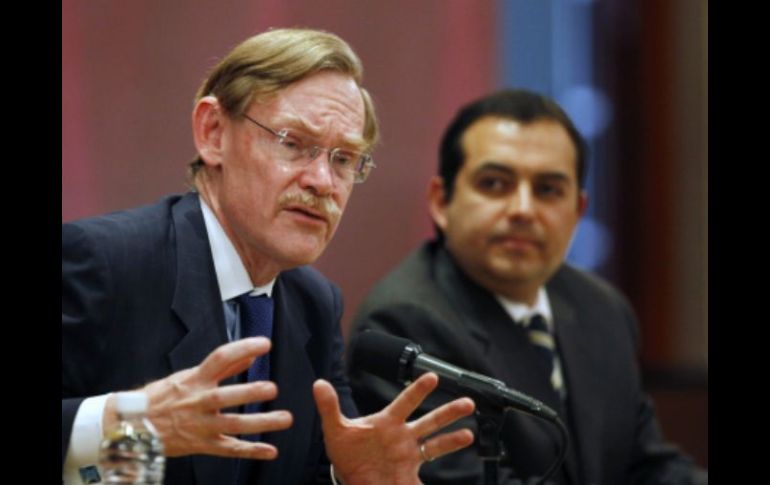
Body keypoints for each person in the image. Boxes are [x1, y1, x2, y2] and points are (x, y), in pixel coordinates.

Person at [62, 28, 477, 485]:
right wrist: (129, 426)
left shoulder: (314, 304)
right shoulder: (103, 263)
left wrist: (345, 477)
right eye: (292, 143)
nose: (322, 181)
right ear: (213, 133)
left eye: (343, 159)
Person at [347, 89, 708, 484]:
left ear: (578, 211)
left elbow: (645, 465)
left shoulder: (602, 307)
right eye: (494, 183)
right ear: (441, 202)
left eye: (548, 190)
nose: (523, 209)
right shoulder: (404, 321)